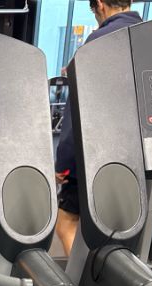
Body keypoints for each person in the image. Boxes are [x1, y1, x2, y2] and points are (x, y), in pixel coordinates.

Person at [55, 0, 141, 255]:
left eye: (94, 11)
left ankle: (86, 280)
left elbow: (77, 112)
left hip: (93, 153)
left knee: (66, 223)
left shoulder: (98, 41)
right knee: (115, 225)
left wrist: (64, 163)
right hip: (131, 156)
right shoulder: (145, 35)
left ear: (100, 5)